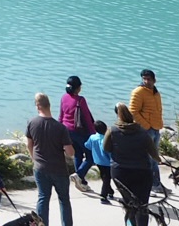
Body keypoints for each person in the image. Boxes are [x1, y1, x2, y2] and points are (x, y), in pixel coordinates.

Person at [26, 92, 75, 226]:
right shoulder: (60, 128)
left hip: (40, 168)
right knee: (64, 200)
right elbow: (70, 152)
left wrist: (34, 159)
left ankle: (42, 224)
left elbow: (29, 145)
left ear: (38, 106)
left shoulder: (32, 122)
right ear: (49, 105)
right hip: (59, 169)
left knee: (43, 198)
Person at [105, 104, 158, 226]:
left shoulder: (112, 131)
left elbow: (106, 148)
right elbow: (153, 153)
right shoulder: (142, 132)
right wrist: (160, 160)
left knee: (129, 204)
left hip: (120, 172)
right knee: (142, 205)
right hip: (142, 172)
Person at [130, 70, 164, 184]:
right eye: (144, 79)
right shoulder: (138, 92)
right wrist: (146, 126)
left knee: (154, 158)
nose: (146, 81)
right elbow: (133, 111)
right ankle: (153, 184)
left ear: (154, 80)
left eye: (149, 79)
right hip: (147, 130)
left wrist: (157, 126)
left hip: (156, 129)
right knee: (149, 159)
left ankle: (156, 183)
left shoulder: (155, 92)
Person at [60, 79, 96, 182]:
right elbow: (87, 118)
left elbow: (61, 116)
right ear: (78, 88)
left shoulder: (64, 97)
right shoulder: (80, 100)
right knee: (90, 157)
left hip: (67, 130)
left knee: (78, 154)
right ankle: (79, 175)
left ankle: (81, 181)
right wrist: (93, 133)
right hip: (78, 132)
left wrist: (59, 130)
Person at [82, 122, 115, 204]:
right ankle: (103, 196)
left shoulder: (92, 137)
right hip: (107, 162)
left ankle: (110, 191)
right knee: (107, 179)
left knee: (105, 177)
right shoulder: (107, 139)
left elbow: (87, 145)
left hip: (97, 161)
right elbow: (109, 151)